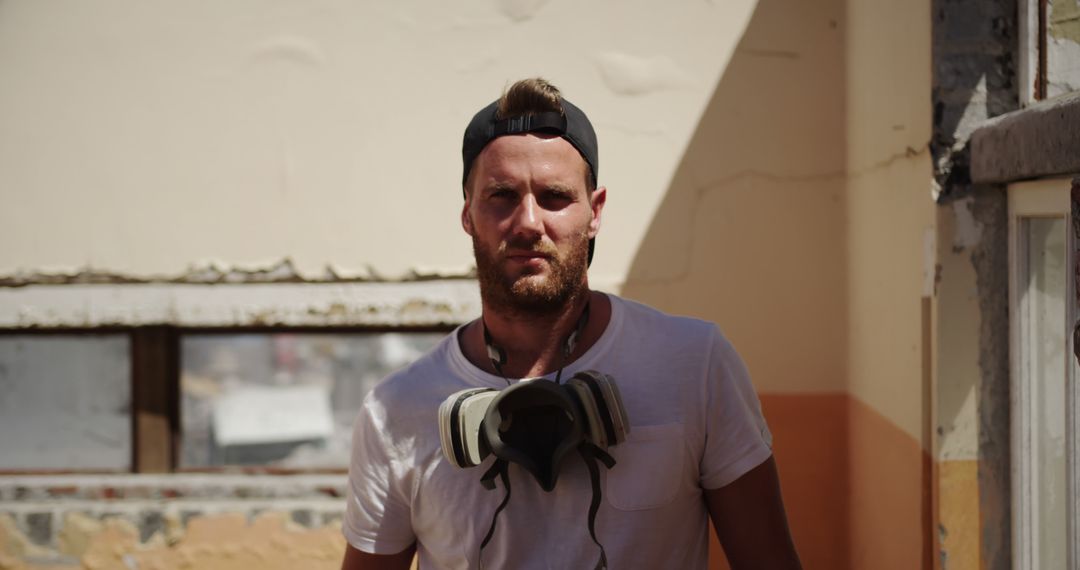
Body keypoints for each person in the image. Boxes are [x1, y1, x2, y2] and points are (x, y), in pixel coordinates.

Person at [340, 78, 801, 570]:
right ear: (468, 215)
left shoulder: (697, 363)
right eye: (501, 195)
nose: (529, 223)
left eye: (555, 196)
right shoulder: (395, 411)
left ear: (595, 211)